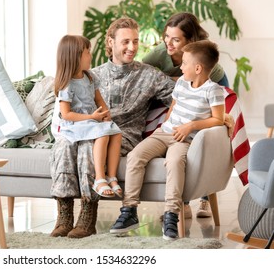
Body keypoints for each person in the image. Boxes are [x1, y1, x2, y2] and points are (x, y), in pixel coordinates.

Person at [49, 17, 175, 239]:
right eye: (126, 42)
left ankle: (88, 216)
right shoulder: (92, 74)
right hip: (87, 127)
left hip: (122, 134)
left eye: (135, 41)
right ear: (111, 42)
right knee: (63, 144)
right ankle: (64, 217)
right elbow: (66, 106)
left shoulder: (149, 75)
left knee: (90, 145)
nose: (132, 47)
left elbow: (181, 94)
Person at [111, 40, 225, 240]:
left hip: (184, 140)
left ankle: (172, 215)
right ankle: (129, 211)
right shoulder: (181, 82)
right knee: (135, 155)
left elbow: (218, 119)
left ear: (198, 68)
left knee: (174, 162)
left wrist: (191, 126)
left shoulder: (213, 90)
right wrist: (166, 124)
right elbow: (173, 106)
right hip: (165, 133)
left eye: (185, 63)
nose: (180, 66)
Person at [142, 12, 226, 218]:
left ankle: (204, 198)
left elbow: (211, 95)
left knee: (206, 138)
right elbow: (142, 72)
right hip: (176, 95)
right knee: (177, 143)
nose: (168, 43)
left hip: (212, 92)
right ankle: (183, 203)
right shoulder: (161, 52)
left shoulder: (209, 68)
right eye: (166, 37)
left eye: (176, 39)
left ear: (190, 41)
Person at [53, 35, 123, 198]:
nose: (90, 56)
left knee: (116, 133)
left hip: (92, 119)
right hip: (75, 123)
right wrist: (92, 117)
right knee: (103, 134)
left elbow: (99, 100)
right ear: (75, 57)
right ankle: (99, 178)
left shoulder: (90, 77)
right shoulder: (67, 83)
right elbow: (66, 114)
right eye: (87, 53)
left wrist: (105, 114)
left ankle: (111, 177)